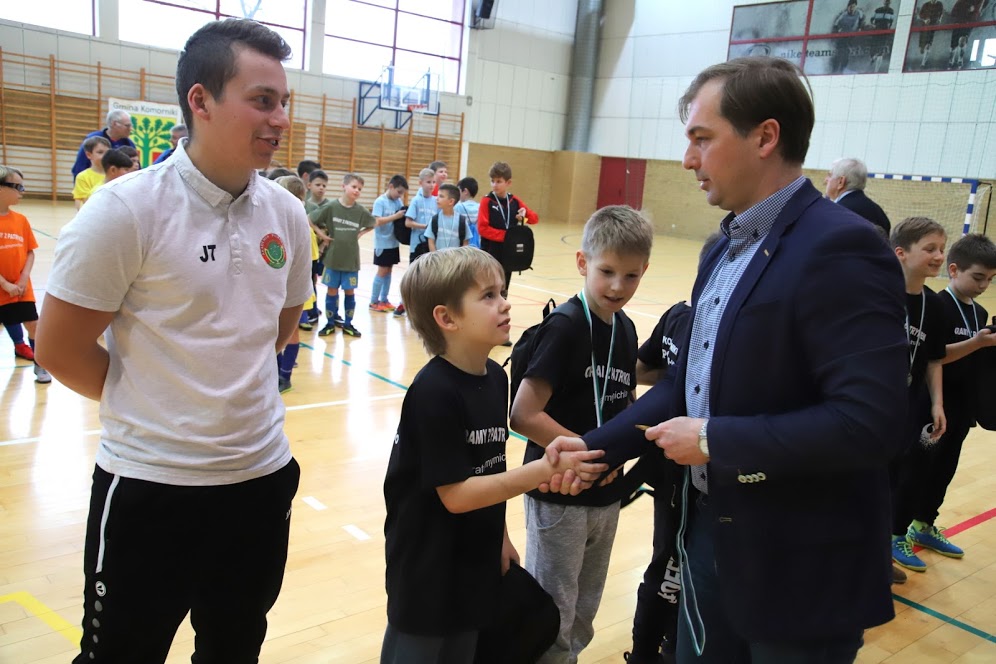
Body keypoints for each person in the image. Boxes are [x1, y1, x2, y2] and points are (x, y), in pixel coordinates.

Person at [543, 57, 908, 663]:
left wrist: (714, 439)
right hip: (712, 536)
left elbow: (871, 422)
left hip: (800, 564)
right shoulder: (722, 248)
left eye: (701, 138)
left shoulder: (842, 246)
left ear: (765, 137)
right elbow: (688, 385)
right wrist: (594, 448)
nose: (688, 159)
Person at [34, 19, 313, 663]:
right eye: (262, 100)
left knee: (234, 648)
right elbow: (58, 349)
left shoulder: (287, 213)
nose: (280, 119)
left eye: (283, 102)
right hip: (150, 489)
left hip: (259, 481)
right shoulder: (125, 210)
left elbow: (280, 327)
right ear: (200, 101)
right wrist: (154, 401)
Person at [381, 246, 607, 664]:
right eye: (488, 296)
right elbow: (457, 495)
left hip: (476, 559)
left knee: (466, 651)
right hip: (426, 568)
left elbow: (490, 466)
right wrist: (543, 469)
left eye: (502, 292)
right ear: (447, 318)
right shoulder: (434, 392)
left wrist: (499, 536)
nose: (504, 303)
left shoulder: (496, 378)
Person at [510, 205, 652, 664]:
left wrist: (616, 455)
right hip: (558, 492)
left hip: (604, 492)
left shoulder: (626, 329)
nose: (617, 286)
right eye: (606, 271)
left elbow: (624, 406)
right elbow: (523, 414)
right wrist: (590, 453)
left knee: (584, 610)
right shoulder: (566, 326)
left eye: (630, 276)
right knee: (552, 609)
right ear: (582, 263)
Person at [622, 232, 722, 664]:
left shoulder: (702, 320)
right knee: (670, 567)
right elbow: (642, 368)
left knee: (686, 566)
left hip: (706, 469)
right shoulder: (683, 318)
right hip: (677, 470)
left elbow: (648, 370)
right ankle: (649, 652)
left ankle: (669, 646)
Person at [913, 235, 996, 553]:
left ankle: (924, 524)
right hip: (932, 404)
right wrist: (976, 343)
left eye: (990, 279)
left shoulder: (979, 312)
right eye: (978, 277)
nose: (983, 285)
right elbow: (933, 357)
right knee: (919, 469)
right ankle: (895, 531)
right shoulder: (938, 306)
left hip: (963, 406)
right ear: (954, 269)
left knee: (944, 469)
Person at [888, 217, 949, 575]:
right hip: (870, 405)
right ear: (901, 252)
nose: (939, 256)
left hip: (908, 407)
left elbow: (934, 360)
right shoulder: (879, 293)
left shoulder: (934, 305)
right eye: (930, 249)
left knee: (896, 476)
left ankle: (884, 548)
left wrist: (937, 402)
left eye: (942, 249)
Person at [310, 173, 379, 338]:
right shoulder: (332, 207)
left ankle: (348, 324)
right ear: (344, 186)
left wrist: (361, 233)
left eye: (360, 189)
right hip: (333, 258)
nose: (357, 191)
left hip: (351, 260)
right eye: (354, 187)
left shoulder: (360, 211)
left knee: (349, 292)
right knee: (332, 291)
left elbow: (374, 222)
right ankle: (330, 323)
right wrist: (322, 235)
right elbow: (310, 219)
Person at [0, 165, 50, 384]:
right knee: (7, 322)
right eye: (17, 186)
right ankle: (18, 346)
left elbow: (29, 251)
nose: (22, 191)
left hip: (21, 287)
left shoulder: (20, 220)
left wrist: (22, 279)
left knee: (33, 325)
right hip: (3, 288)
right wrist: (5, 284)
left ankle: (40, 366)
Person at [275, 174, 317, 394]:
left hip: (296, 287)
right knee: (274, 332)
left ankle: (285, 376)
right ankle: (275, 373)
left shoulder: (302, 226)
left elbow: (312, 260)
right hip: (276, 287)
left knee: (291, 333)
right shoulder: (275, 222)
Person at [478, 161, 539, 291]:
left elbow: (534, 219)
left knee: (504, 285)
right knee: (490, 284)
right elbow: (482, 228)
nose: (494, 185)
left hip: (508, 251)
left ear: (508, 183)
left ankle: (502, 302)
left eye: (499, 181)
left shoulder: (514, 201)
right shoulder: (487, 201)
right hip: (491, 251)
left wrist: (524, 217)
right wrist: (506, 236)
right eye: (492, 181)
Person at [393, 168, 439, 318]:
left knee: (429, 276)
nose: (431, 185)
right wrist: (424, 227)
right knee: (414, 276)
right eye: (428, 182)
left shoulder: (436, 201)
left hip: (430, 244)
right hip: (417, 245)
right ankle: (403, 303)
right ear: (421, 183)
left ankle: (423, 306)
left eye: (433, 182)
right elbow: (408, 222)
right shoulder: (416, 201)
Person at [370, 174, 408, 312]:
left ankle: (384, 299)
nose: (400, 195)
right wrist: (395, 216)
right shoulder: (380, 202)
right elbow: (376, 221)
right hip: (382, 242)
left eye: (402, 193)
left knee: (389, 270)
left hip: (393, 242)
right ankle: (373, 301)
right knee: (382, 271)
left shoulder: (398, 202)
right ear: (391, 186)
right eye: (398, 192)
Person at [825, 157, 891, 236]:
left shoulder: (836, 213)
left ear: (841, 182)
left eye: (830, 175)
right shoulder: (879, 213)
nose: (826, 180)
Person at [301, 169, 332, 329]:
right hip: (306, 250)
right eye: (318, 184)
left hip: (320, 250)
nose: (321, 188)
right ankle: (309, 309)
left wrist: (321, 247)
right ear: (309, 185)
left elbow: (329, 230)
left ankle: (314, 307)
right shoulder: (304, 204)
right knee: (307, 279)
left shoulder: (328, 206)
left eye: (324, 186)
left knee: (315, 279)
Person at [71, 109, 135, 178]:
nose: (131, 129)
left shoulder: (129, 144)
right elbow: (80, 166)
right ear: (114, 124)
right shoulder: (93, 139)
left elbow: (136, 168)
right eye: (127, 126)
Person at [426, 183, 471, 252]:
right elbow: (431, 241)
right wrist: (435, 256)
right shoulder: (434, 219)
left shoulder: (461, 220)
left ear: (451, 201)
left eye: (441, 196)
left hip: (457, 258)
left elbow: (465, 242)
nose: (437, 198)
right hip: (438, 257)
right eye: (437, 195)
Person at [72, 136, 110, 209]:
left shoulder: (115, 174)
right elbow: (81, 203)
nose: (105, 156)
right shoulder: (83, 177)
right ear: (89, 155)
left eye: (107, 153)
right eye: (100, 152)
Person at [456, 176, 482, 248]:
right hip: (477, 243)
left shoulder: (458, 207)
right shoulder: (480, 207)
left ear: (465, 191)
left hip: (462, 244)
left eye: (458, 191)